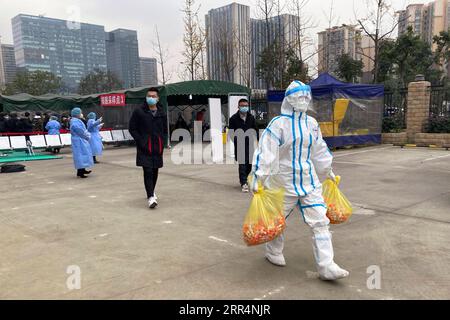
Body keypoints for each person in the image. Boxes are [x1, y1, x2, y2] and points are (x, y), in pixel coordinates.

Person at [251, 80, 349, 281]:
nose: (304, 100)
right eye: (300, 97)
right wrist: (258, 176)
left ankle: (326, 265)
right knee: (277, 220)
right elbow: (266, 152)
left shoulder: (311, 124)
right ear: (290, 99)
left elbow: (319, 149)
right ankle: (273, 251)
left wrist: (327, 169)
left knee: (321, 221)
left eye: (306, 97)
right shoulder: (278, 125)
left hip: (308, 181)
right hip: (283, 182)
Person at [129, 87, 167, 209]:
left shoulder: (161, 112)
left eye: (153, 96)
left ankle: (151, 191)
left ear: (157, 98)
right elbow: (132, 128)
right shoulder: (139, 111)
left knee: (155, 170)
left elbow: (165, 129)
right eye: (149, 96)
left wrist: (163, 140)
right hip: (145, 146)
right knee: (148, 170)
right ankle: (150, 197)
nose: (151, 98)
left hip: (158, 146)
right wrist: (140, 141)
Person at [229, 98, 258, 193]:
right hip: (240, 144)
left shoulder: (251, 117)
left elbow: (255, 129)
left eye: (246, 106)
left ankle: (244, 178)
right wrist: (237, 141)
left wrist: (258, 139)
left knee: (249, 164)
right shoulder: (233, 118)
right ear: (238, 106)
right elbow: (231, 133)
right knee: (242, 165)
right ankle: (244, 183)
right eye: (242, 106)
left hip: (250, 144)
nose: (244, 107)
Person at [70, 107, 93, 178]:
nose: (81, 114)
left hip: (80, 140)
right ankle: (80, 172)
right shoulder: (75, 121)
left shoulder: (76, 120)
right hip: (79, 140)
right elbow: (80, 131)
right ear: (77, 114)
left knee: (83, 155)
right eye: (80, 113)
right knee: (80, 155)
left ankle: (83, 169)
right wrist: (87, 136)